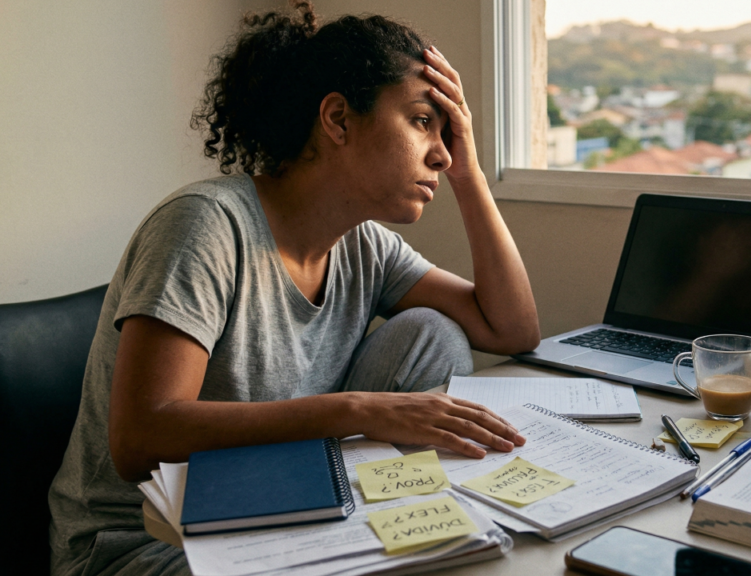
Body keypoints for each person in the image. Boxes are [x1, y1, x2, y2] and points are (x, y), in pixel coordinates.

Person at [48, 3, 540, 575]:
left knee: (433, 332)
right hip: (146, 541)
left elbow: (511, 328)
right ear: (337, 120)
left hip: (282, 502)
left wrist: (469, 174)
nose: (442, 151)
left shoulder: (365, 246)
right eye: (421, 122)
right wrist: (359, 410)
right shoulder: (204, 226)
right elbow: (141, 438)